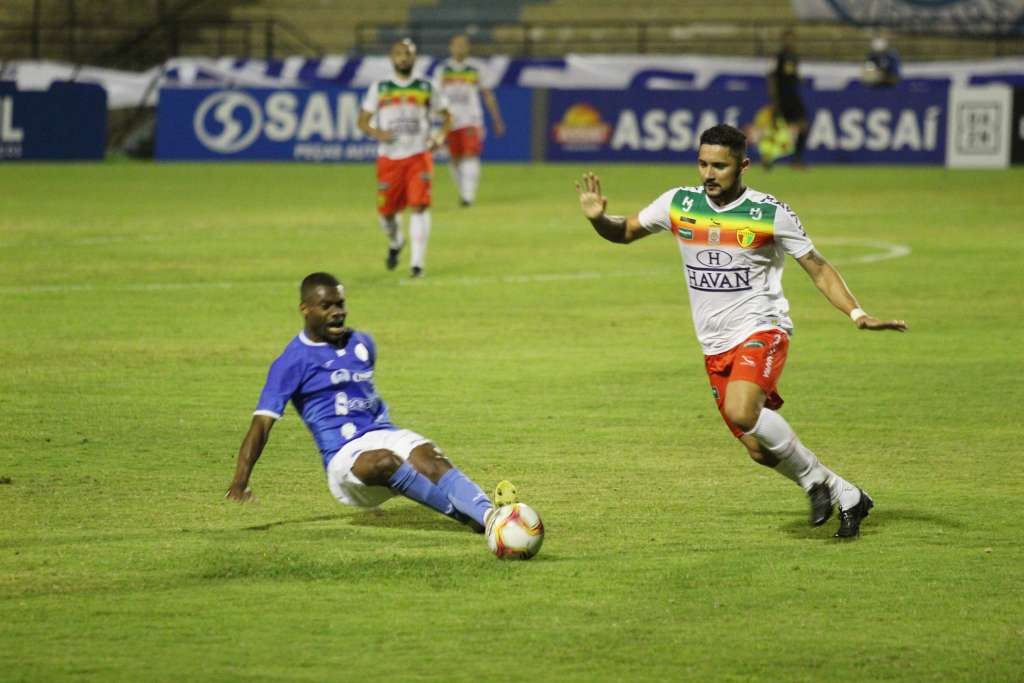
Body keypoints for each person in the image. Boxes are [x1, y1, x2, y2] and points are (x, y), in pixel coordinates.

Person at [575, 124, 907, 538]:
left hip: (762, 328)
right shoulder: (679, 203)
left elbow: (818, 268)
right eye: (702, 164)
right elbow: (624, 232)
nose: (708, 174)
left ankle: (813, 480)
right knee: (758, 450)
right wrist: (598, 219)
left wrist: (857, 313)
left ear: (743, 165)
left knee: (741, 411)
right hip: (714, 345)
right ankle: (847, 493)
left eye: (720, 166)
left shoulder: (769, 212)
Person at [226, 272, 518, 533]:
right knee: (384, 461)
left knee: (429, 456)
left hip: (383, 432)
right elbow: (261, 424)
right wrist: (240, 482)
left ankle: (490, 516)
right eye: (327, 306)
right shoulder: (292, 361)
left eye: (340, 304)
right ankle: (468, 517)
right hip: (344, 459)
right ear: (305, 309)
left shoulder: (362, 343)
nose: (337, 312)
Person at [358, 39, 451, 278]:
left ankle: (417, 264)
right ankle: (396, 241)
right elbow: (362, 121)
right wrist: (377, 133)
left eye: (408, 53)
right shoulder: (380, 87)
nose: (403, 58)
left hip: (419, 155)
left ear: (414, 57)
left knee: (419, 206)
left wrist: (440, 136)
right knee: (386, 214)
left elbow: (447, 115)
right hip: (389, 158)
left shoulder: (426, 86)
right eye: (399, 53)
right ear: (392, 57)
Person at [431, 33, 506, 207]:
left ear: (468, 48)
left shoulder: (476, 68)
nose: (460, 48)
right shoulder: (442, 70)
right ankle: (464, 192)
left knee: (470, 154)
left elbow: (488, 94)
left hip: (471, 119)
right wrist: (434, 117)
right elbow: (435, 96)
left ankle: (468, 196)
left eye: (463, 45)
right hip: (450, 120)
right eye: (457, 45)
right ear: (451, 47)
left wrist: (497, 119)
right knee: (454, 158)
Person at [769, 28, 809, 168]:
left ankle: (796, 159)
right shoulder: (779, 57)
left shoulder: (795, 57)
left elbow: (792, 75)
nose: (789, 42)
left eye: (792, 39)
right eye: (787, 39)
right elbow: (772, 77)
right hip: (782, 96)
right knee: (780, 128)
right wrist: (774, 98)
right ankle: (770, 157)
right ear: (782, 40)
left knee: (803, 126)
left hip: (793, 95)